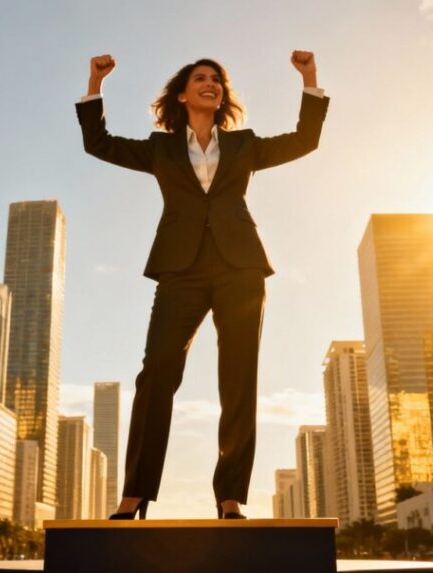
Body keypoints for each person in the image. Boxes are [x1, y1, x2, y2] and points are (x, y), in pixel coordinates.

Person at [77, 51, 329, 520]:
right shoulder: (160, 149)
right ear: (183, 94)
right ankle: (135, 494)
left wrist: (309, 78)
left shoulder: (245, 146)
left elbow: (304, 140)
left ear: (221, 95)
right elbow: (100, 144)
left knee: (238, 380)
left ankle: (229, 495)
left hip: (241, 269)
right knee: (157, 374)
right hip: (180, 271)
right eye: (200, 78)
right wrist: (96, 84)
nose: (210, 83)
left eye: (216, 79)